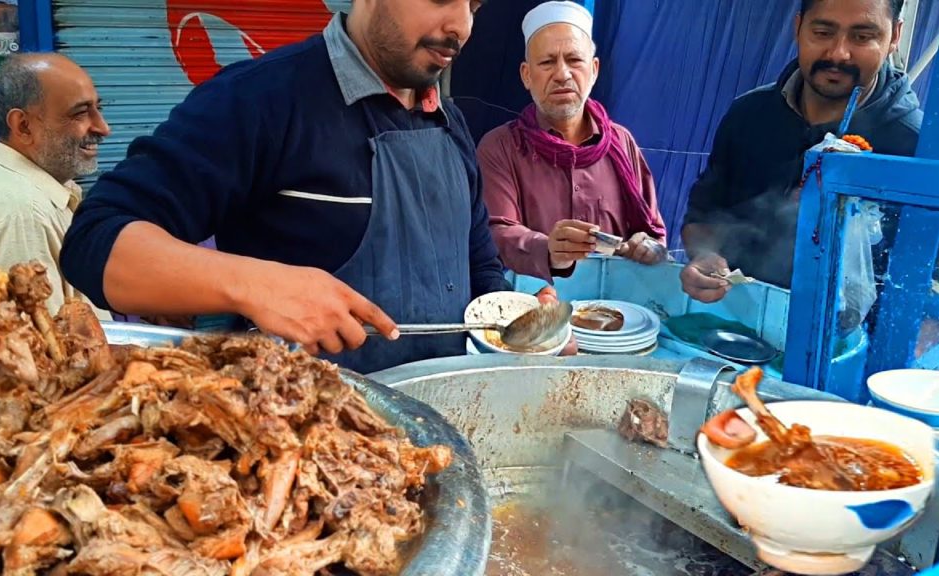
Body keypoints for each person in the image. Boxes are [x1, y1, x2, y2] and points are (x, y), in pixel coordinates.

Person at [59, 0, 565, 374]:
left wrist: (519, 321)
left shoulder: (451, 126)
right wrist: (255, 285)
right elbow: (93, 241)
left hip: (439, 436)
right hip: (304, 446)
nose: (461, 26)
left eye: (474, 4)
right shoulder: (260, 100)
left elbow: (478, 269)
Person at [680, 0, 921, 303]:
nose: (838, 54)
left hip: (852, 333)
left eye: (862, 37)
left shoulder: (914, 147)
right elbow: (704, 212)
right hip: (734, 319)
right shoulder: (747, 115)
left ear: (894, 36)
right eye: (822, 32)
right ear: (798, 27)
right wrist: (705, 255)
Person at [477, 1, 667, 283]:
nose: (562, 74)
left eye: (574, 60)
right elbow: (494, 233)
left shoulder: (621, 143)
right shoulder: (500, 147)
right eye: (547, 62)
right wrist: (548, 250)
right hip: (533, 303)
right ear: (526, 75)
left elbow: (653, 233)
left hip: (614, 304)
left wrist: (648, 248)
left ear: (594, 69)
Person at [0, 53, 112, 320]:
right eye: (80, 113)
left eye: (98, 108)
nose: (103, 128)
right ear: (24, 126)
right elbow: (47, 341)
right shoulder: (22, 211)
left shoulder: (1, 179)